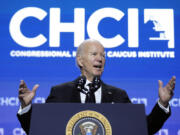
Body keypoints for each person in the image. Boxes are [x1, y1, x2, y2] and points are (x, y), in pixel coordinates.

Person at [17, 39, 176, 135]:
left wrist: (162, 104)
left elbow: (142, 129)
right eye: (94, 54)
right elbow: (39, 129)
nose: (100, 59)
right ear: (80, 61)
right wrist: (26, 107)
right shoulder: (60, 92)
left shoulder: (118, 95)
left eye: (103, 55)